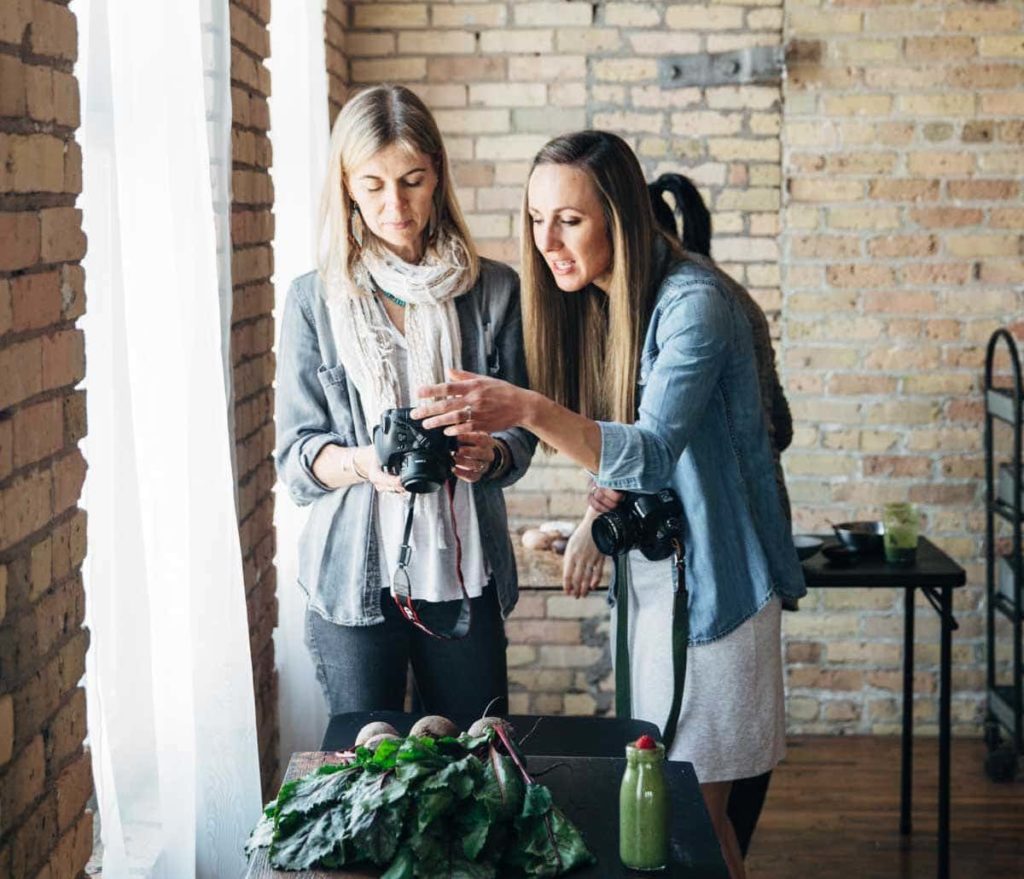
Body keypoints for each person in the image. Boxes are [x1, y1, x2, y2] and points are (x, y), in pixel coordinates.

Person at [411, 131, 805, 879]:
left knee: (692, 820)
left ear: (618, 217)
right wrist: (592, 523)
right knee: (675, 816)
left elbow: (652, 451)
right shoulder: (608, 303)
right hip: (662, 592)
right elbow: (639, 464)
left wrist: (526, 407)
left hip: (720, 596)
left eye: (570, 220)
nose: (548, 241)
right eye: (536, 219)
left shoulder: (696, 305)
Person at [274, 85, 535, 721]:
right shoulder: (315, 300)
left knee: (475, 765)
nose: (396, 205)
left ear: (438, 174)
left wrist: (486, 456)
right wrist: (368, 463)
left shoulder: (494, 290)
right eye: (373, 185)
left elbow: (523, 438)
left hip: (463, 572)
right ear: (346, 188)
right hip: (353, 584)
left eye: (412, 180)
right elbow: (295, 459)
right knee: (367, 781)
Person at [649, 172, 795, 858]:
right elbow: (781, 425)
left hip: (725, 561)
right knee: (720, 805)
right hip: (729, 554)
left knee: (709, 808)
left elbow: (765, 430)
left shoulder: (698, 304)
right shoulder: (722, 293)